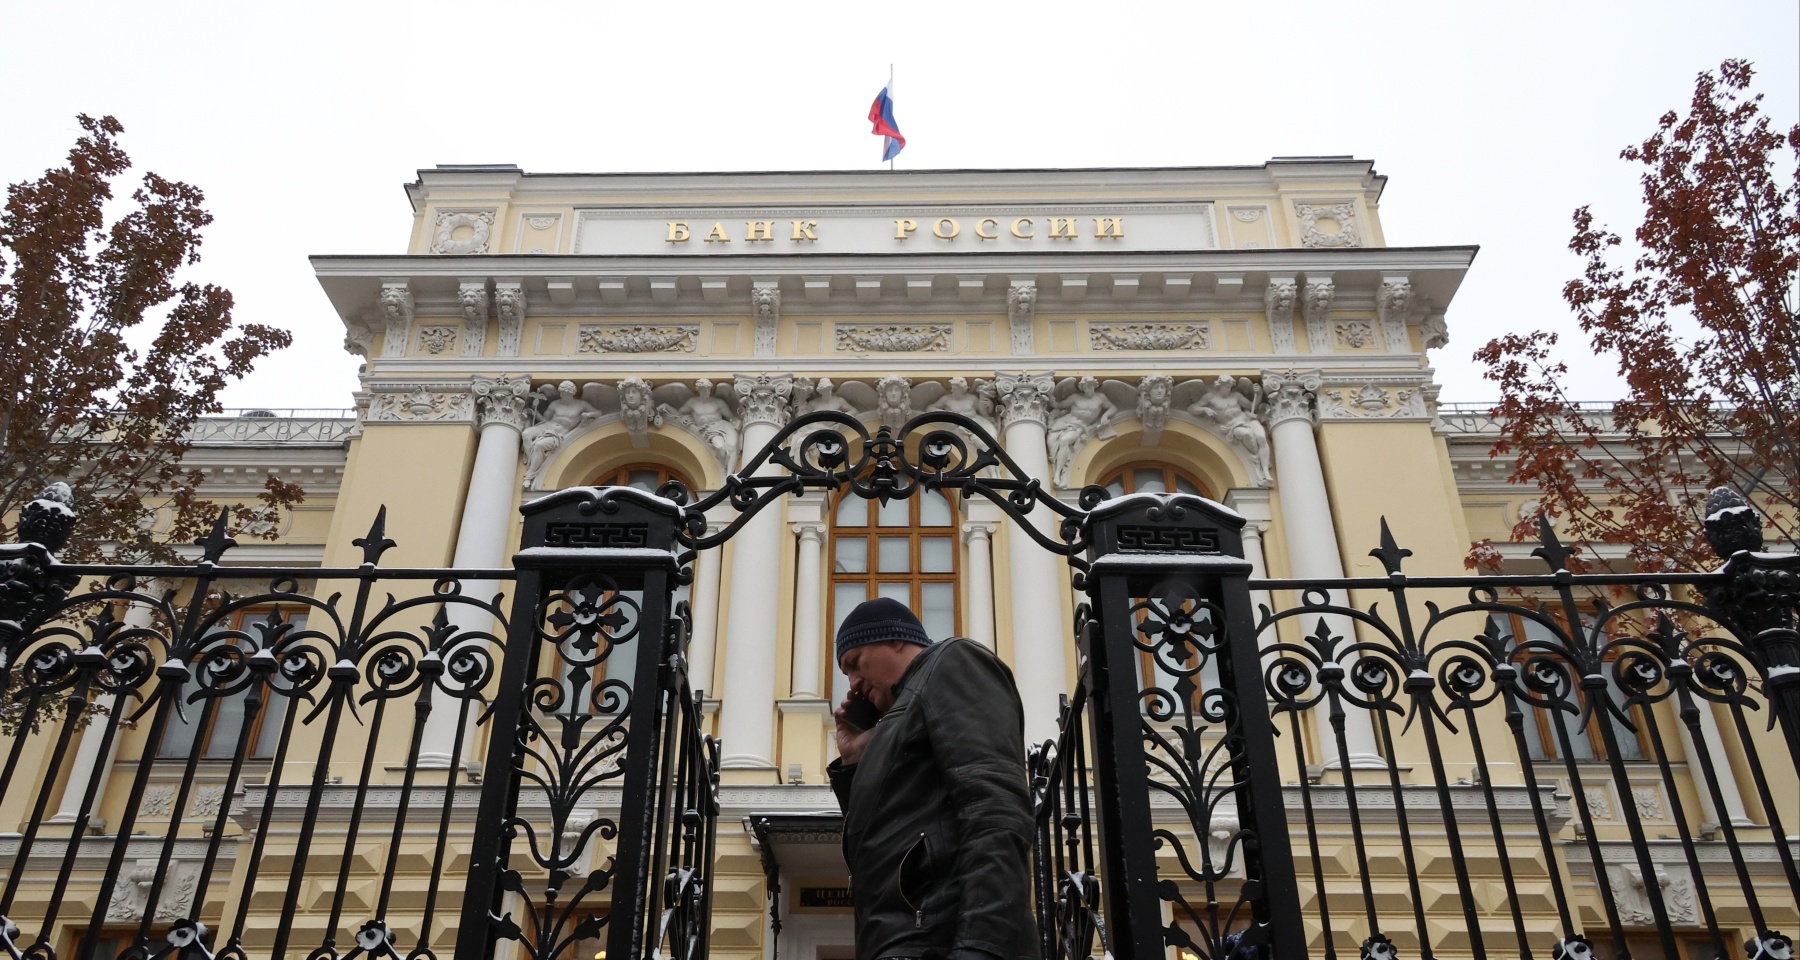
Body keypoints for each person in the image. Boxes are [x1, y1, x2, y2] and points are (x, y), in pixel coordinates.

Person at [827, 598, 1039, 960]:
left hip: (939, 941)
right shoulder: (899, 718)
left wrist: (980, 947)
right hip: (907, 942)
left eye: (855, 663)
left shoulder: (952, 663)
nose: (853, 683)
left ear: (895, 638)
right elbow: (887, 837)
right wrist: (855, 759)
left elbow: (994, 811)